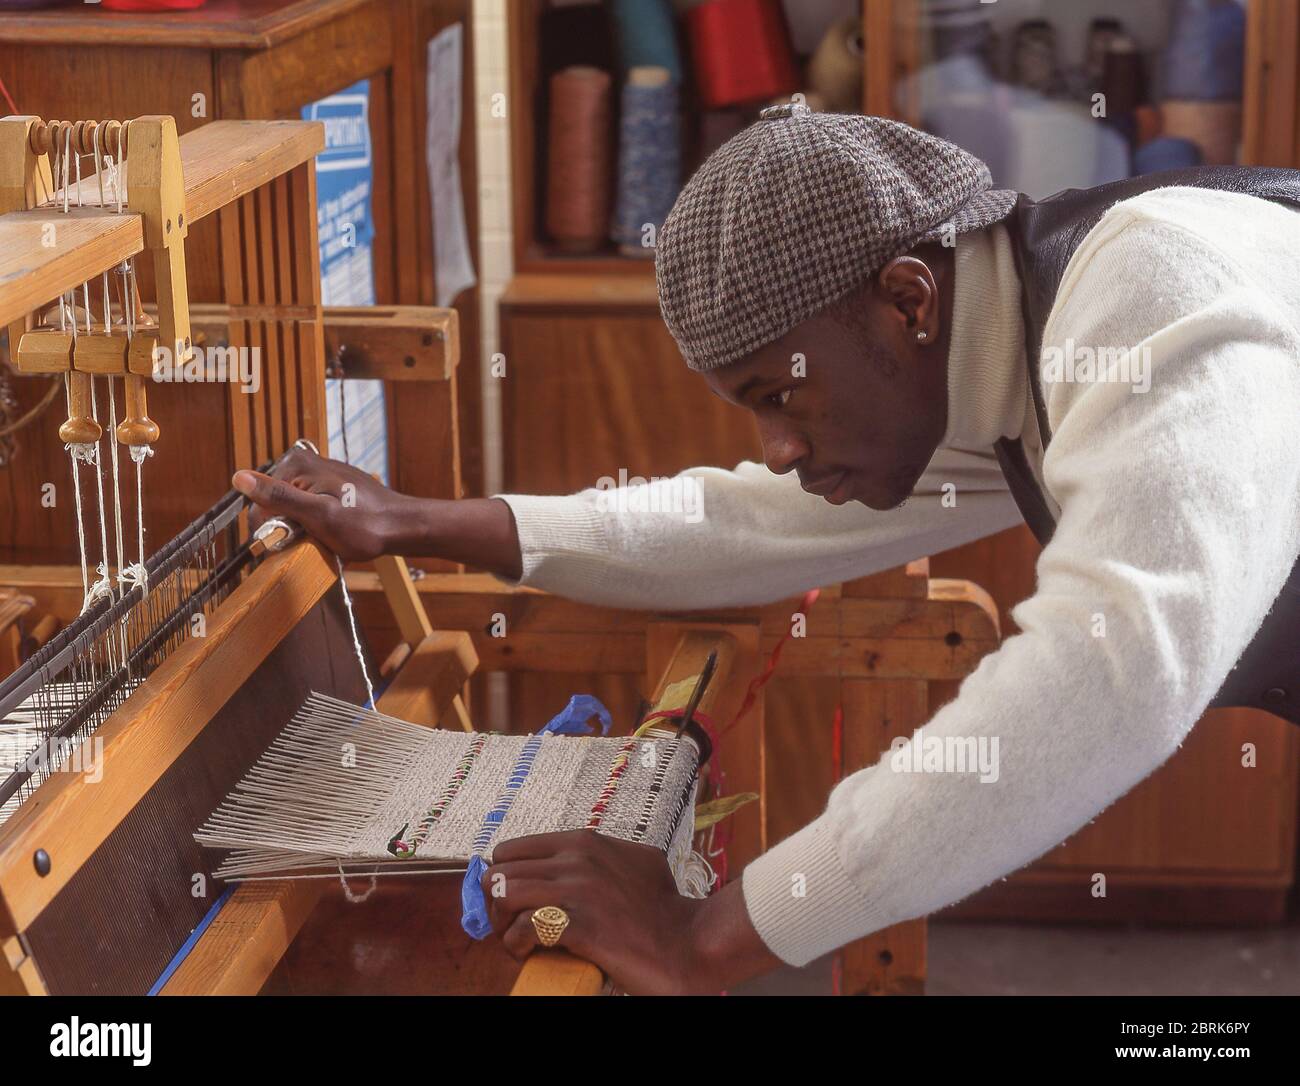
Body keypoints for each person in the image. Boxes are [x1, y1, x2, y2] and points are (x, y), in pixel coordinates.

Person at [233, 105, 1300, 994]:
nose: (779, 448)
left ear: (906, 301)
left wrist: (712, 935)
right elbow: (750, 523)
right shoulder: (1012, 356)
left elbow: (1113, 670)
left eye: (780, 396)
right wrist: (419, 523)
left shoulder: (1153, 289)